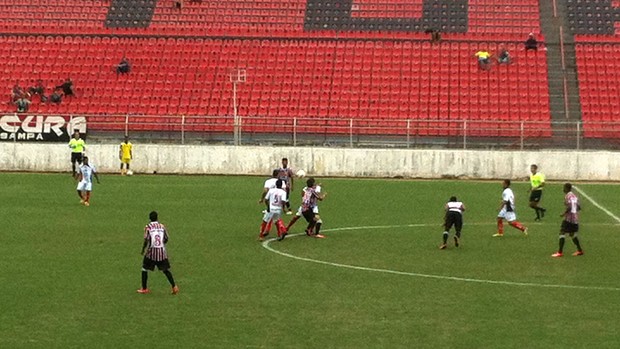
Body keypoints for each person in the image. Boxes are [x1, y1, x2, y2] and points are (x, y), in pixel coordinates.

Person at [137, 211, 180, 294]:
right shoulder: (162, 226)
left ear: (149, 218)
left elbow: (146, 239)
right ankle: (174, 287)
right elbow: (166, 238)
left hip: (151, 253)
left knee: (144, 268)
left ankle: (144, 288)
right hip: (161, 252)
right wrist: (161, 244)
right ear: (157, 218)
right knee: (166, 270)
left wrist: (143, 249)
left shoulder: (148, 227)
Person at [552, 183, 584, 257]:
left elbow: (569, 206)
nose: (563, 189)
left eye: (564, 188)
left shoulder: (567, 196)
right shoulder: (575, 196)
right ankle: (580, 250)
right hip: (575, 219)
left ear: (567, 188)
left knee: (562, 232)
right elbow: (578, 207)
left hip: (569, 219)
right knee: (572, 234)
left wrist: (564, 213)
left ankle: (559, 252)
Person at [258, 169, 286, 235]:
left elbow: (265, 191)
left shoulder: (268, 181)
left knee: (268, 217)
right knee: (276, 219)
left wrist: (262, 199)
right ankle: (282, 231)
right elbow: (284, 191)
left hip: (270, 200)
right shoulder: (282, 182)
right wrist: (284, 207)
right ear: (278, 175)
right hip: (278, 202)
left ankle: (263, 233)